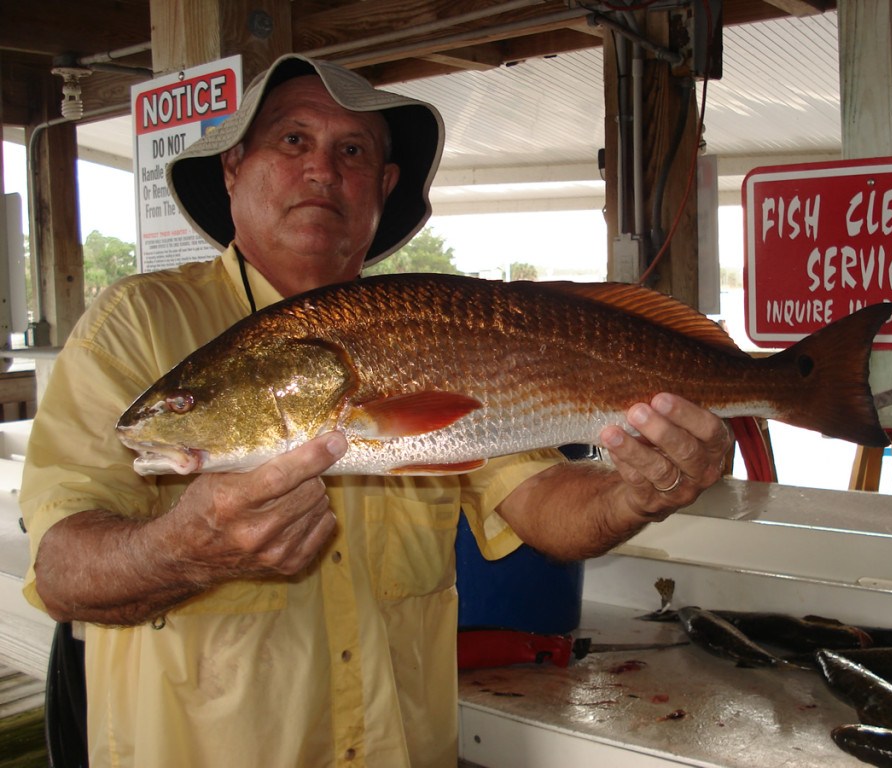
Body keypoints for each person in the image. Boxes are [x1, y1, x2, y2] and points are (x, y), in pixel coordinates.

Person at [20, 54, 732, 767]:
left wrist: (636, 492)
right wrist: (181, 547)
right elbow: (59, 569)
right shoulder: (136, 324)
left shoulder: (438, 324)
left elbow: (544, 504)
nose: (322, 170)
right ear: (234, 167)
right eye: (292, 140)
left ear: (384, 186)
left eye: (352, 150)